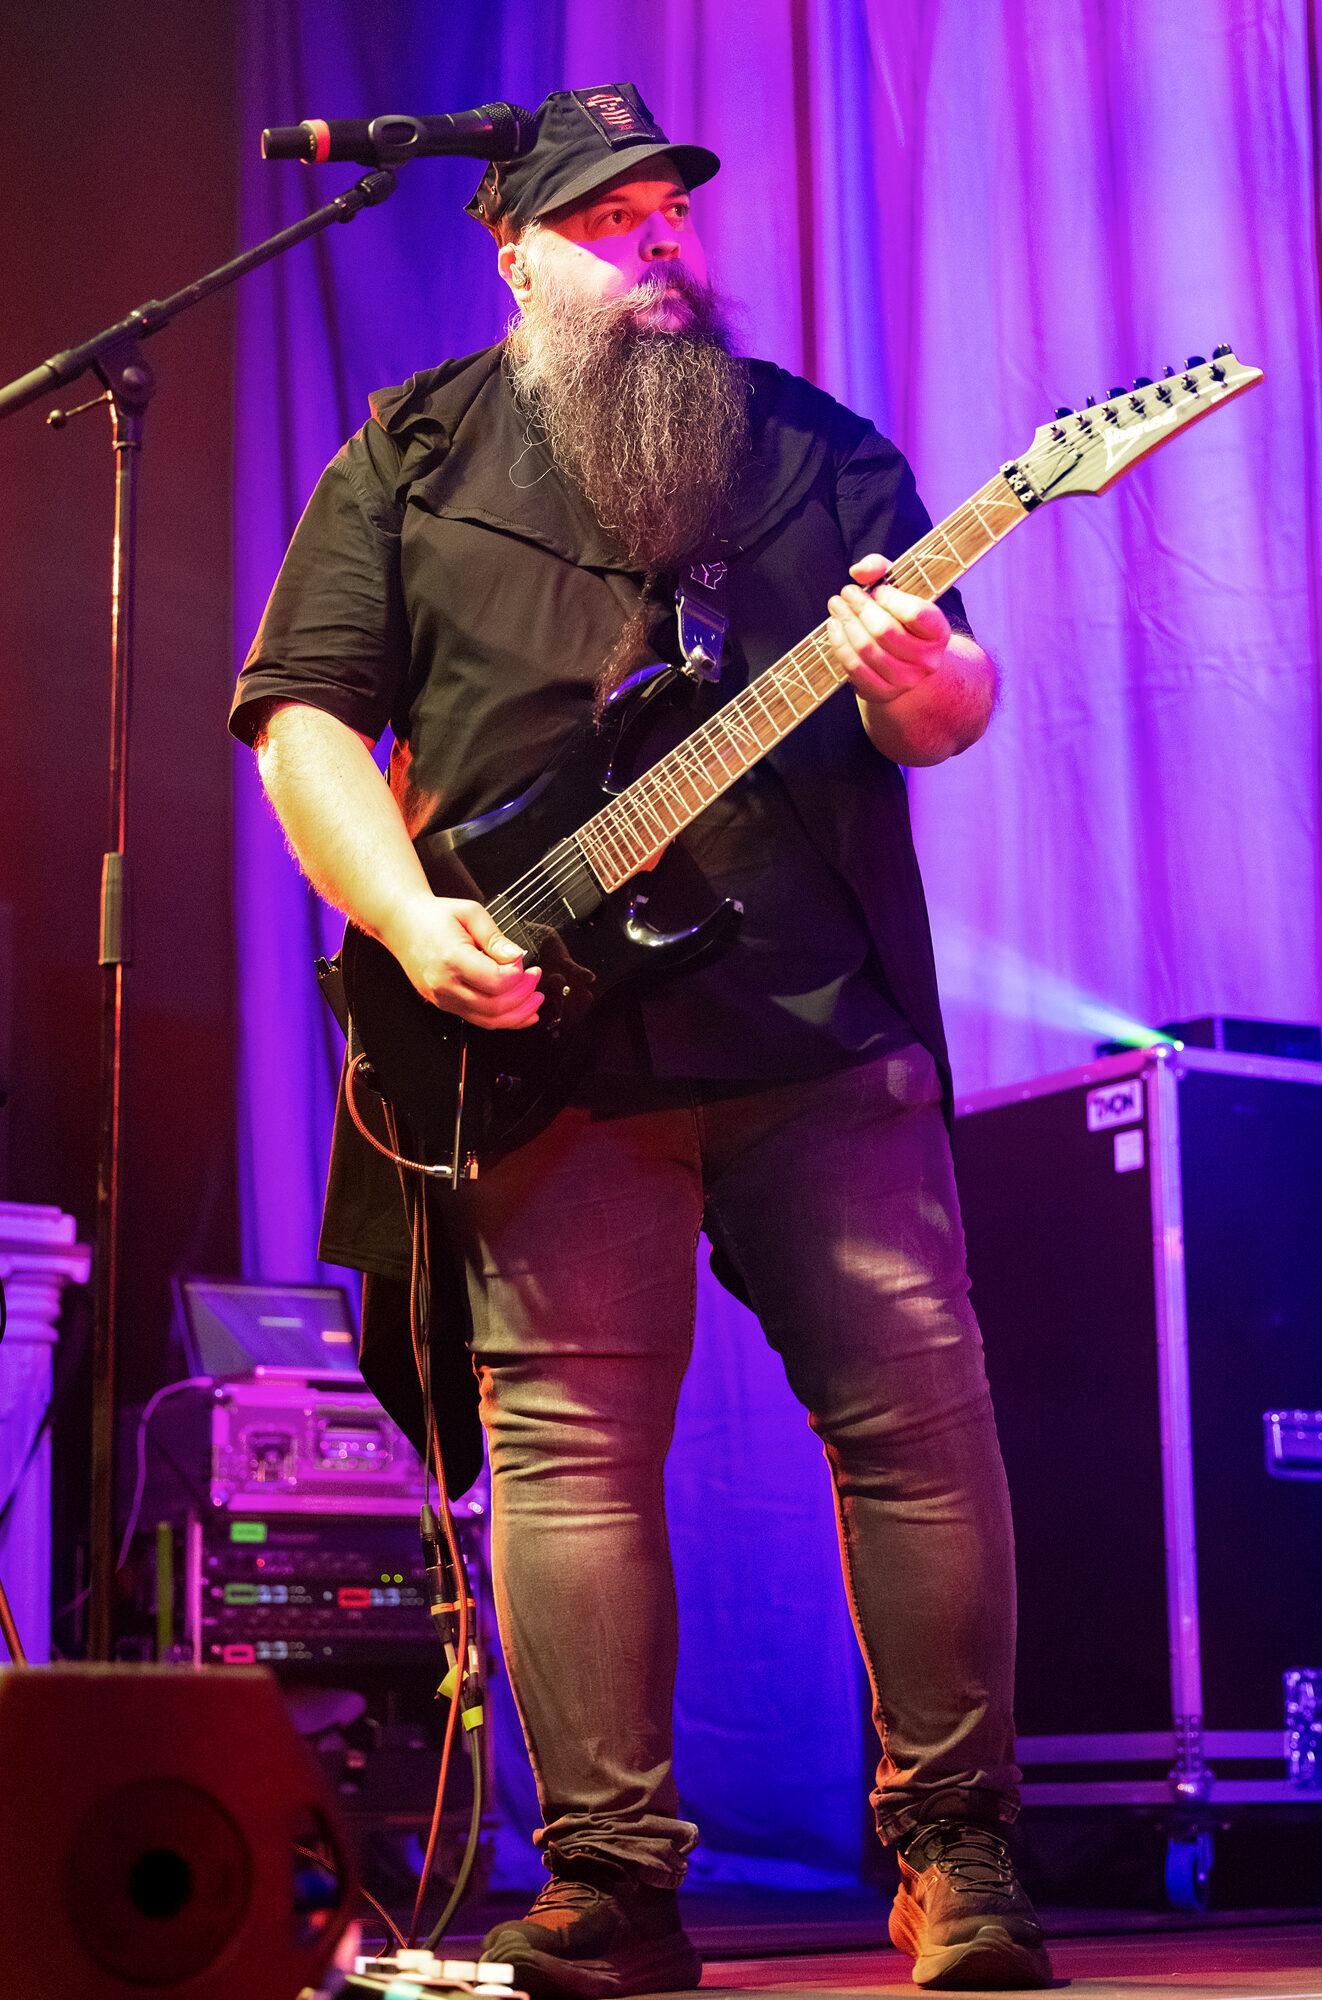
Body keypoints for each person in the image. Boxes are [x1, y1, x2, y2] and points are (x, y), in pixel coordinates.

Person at [231, 80, 1053, 1998]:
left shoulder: (815, 449)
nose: (655, 240)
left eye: (668, 211)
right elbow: (302, 717)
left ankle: (956, 1854)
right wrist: (404, 920)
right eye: (605, 221)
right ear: (512, 254)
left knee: (919, 1428)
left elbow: (939, 716)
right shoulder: (409, 454)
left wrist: (932, 673)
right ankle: (613, 1878)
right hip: (540, 1039)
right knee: (570, 1458)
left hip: (815, 1023)